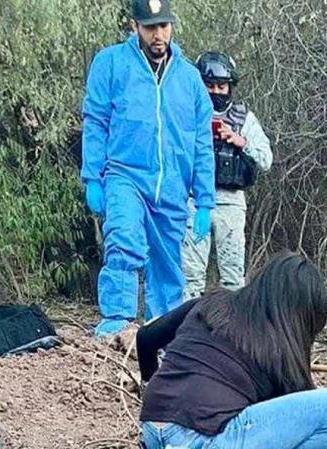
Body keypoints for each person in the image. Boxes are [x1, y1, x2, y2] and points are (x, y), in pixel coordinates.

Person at [137, 252, 327, 449]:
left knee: (223, 410)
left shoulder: (208, 303)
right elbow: (281, 435)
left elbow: (145, 339)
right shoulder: (280, 355)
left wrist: (153, 391)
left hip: (154, 439)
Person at [81, 0, 215, 338]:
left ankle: (162, 331)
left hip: (172, 185)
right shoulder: (110, 64)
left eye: (164, 26)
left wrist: (205, 200)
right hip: (125, 174)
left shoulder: (190, 79)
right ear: (134, 26)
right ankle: (117, 321)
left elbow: (202, 142)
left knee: (168, 265)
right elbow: (95, 122)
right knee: (124, 241)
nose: (159, 35)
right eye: (151, 27)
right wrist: (92, 177)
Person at [182, 52, 272, 298]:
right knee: (190, 276)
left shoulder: (244, 118)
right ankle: (186, 330)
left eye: (221, 86)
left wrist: (239, 140)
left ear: (230, 86)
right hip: (194, 201)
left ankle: (232, 333)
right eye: (209, 86)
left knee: (233, 277)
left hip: (230, 203)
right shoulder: (187, 115)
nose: (216, 91)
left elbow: (266, 159)